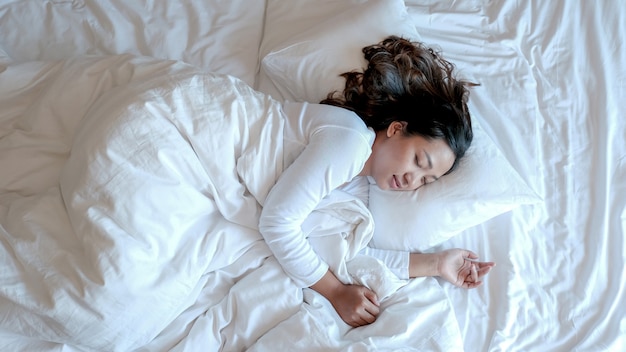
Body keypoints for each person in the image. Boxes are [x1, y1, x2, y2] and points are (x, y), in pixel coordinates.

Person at [258, 36, 495, 328]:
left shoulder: (358, 191)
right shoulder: (350, 139)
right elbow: (277, 223)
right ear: (396, 129)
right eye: (420, 162)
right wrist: (335, 292)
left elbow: (351, 254)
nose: (413, 179)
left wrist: (436, 264)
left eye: (425, 180)